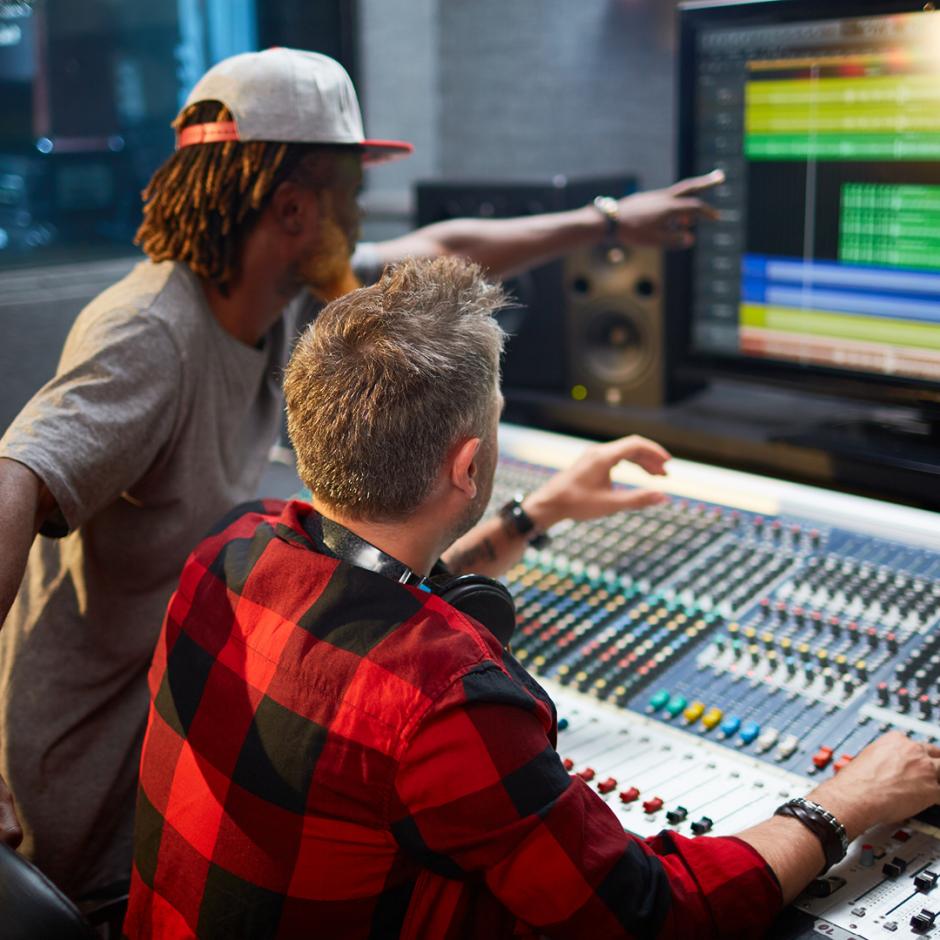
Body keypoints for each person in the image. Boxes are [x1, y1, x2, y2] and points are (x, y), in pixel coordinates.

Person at [0, 48, 725, 903]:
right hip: (80, 790)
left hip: (178, 738)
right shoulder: (149, 333)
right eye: (352, 194)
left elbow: (442, 252)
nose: (362, 215)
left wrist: (609, 223)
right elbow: (13, 478)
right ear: (296, 209)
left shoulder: (281, 290)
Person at [124, 256, 940, 939]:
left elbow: (362, 586)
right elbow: (655, 917)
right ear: (468, 465)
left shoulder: (226, 552)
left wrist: (534, 512)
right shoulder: (448, 707)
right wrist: (845, 802)